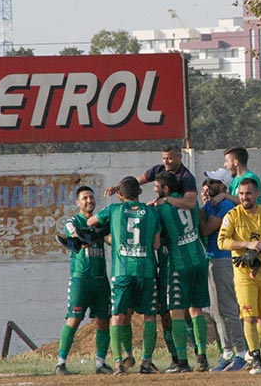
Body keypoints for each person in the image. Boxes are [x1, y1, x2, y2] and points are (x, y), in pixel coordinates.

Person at [88, 176, 161, 375]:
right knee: (149, 316)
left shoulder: (114, 210)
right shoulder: (152, 213)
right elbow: (156, 245)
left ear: (120, 194)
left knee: (118, 317)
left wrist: (110, 237)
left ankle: (119, 362)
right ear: (139, 193)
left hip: (122, 272)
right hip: (146, 270)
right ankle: (146, 362)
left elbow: (91, 221)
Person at [217, 178, 261, 375]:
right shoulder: (233, 215)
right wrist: (246, 245)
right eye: (241, 194)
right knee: (249, 317)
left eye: (248, 194)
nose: (244, 197)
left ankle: (251, 352)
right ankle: (256, 359)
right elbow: (222, 242)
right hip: (243, 273)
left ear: (256, 194)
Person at [154, 171, 210, 373]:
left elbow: (158, 240)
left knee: (176, 312)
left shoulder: (162, 209)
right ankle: (202, 358)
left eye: (156, 186)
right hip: (199, 259)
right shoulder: (189, 203)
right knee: (196, 310)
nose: (154, 190)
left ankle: (182, 362)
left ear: (166, 189)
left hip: (179, 264)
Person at [53, 186, 113, 376]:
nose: (89, 201)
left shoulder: (101, 219)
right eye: (85, 198)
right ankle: (61, 363)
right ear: (78, 202)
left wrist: (103, 232)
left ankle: (100, 363)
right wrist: (94, 234)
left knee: (103, 321)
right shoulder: (72, 221)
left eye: (91, 198)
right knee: (74, 319)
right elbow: (75, 234)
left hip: (101, 278)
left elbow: (111, 239)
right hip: (81, 278)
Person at [199, 169, 248, 372]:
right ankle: (227, 351)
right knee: (215, 310)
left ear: (222, 185)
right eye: (208, 181)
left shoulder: (225, 204)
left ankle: (241, 352)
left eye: (213, 181)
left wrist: (196, 208)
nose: (208, 184)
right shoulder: (213, 203)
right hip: (212, 258)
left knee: (228, 308)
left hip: (224, 260)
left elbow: (207, 229)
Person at [104, 144, 197, 210]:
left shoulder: (186, 177)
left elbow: (191, 203)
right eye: (164, 158)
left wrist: (166, 200)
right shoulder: (159, 169)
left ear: (179, 157)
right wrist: (117, 186)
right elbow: (135, 181)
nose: (166, 162)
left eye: (169, 158)